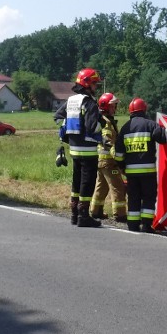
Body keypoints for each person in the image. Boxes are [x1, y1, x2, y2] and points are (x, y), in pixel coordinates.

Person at [115, 98, 167, 233]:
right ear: (144, 110)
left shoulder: (125, 129)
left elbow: (118, 154)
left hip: (131, 173)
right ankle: (147, 225)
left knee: (133, 198)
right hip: (148, 171)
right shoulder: (150, 125)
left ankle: (133, 225)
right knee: (148, 197)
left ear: (130, 111)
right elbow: (166, 137)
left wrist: (122, 167)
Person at [54, 68, 103, 228]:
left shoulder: (71, 100)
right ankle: (83, 216)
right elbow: (91, 126)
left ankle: (74, 214)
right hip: (88, 150)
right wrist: (101, 124)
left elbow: (58, 116)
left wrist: (68, 129)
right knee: (87, 183)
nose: (96, 87)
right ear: (87, 84)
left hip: (74, 149)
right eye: (95, 83)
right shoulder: (89, 102)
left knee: (76, 182)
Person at [90, 93, 127, 222]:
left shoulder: (106, 120)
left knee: (101, 187)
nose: (115, 108)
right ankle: (120, 214)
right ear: (105, 106)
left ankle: (95, 211)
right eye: (112, 105)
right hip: (109, 162)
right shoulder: (106, 122)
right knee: (118, 187)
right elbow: (107, 140)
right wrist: (117, 157)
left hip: (101, 161)